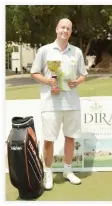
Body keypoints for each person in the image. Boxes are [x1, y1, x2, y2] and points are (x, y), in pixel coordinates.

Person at [30, 18, 88, 190]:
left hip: (71, 104)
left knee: (70, 138)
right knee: (49, 140)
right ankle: (48, 172)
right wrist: (49, 82)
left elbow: (83, 74)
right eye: (62, 27)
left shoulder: (76, 52)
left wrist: (77, 82)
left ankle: (67, 171)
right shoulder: (44, 50)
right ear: (57, 29)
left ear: (71, 31)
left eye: (68, 28)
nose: (65, 31)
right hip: (50, 104)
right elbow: (34, 72)